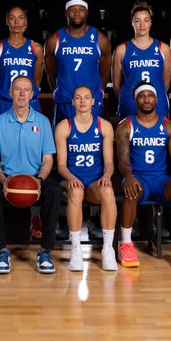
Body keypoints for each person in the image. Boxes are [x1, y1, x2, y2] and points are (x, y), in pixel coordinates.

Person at [0, 76, 58, 274]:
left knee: (54, 190)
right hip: (7, 179)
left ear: (32, 94)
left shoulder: (42, 122)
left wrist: (39, 180)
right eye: (17, 89)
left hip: (35, 180)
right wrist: (4, 180)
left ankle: (45, 251)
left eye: (26, 90)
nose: (22, 94)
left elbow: (48, 160)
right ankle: (1, 250)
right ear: (10, 93)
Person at [116, 83, 171, 269]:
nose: (147, 99)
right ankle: (125, 245)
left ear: (157, 99)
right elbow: (123, 161)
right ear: (136, 100)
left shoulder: (169, 127)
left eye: (150, 95)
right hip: (138, 177)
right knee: (131, 191)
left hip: (160, 179)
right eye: (142, 96)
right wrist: (129, 176)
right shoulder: (126, 126)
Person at [54, 85, 117, 271]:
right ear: (72, 102)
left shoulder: (104, 126)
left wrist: (106, 175)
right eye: (78, 97)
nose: (82, 101)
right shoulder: (64, 127)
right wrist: (71, 177)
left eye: (86, 97)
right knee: (75, 191)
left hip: (94, 182)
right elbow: (61, 165)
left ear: (93, 101)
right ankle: (75, 248)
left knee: (107, 190)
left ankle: (107, 249)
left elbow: (109, 163)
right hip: (71, 179)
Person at [45, 0, 111, 124]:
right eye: (72, 10)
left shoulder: (100, 40)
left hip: (92, 103)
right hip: (65, 101)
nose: (76, 13)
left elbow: (105, 72)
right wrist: (59, 90)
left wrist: (96, 91)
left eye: (81, 10)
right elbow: (51, 72)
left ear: (86, 13)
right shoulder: (54, 40)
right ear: (66, 13)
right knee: (62, 141)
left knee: (92, 142)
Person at [113, 0, 171, 121]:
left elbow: (165, 82)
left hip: (157, 104)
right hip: (130, 104)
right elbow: (116, 84)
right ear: (132, 23)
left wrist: (154, 96)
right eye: (137, 20)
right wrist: (127, 98)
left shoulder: (164, 48)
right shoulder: (121, 49)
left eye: (146, 20)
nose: (142, 25)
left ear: (151, 22)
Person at [0, 5, 44, 117]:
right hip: (5, 102)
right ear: (7, 21)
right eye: (12, 18)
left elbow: (36, 81)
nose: (17, 22)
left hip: (29, 103)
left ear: (26, 21)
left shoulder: (36, 48)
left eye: (21, 18)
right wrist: (3, 95)